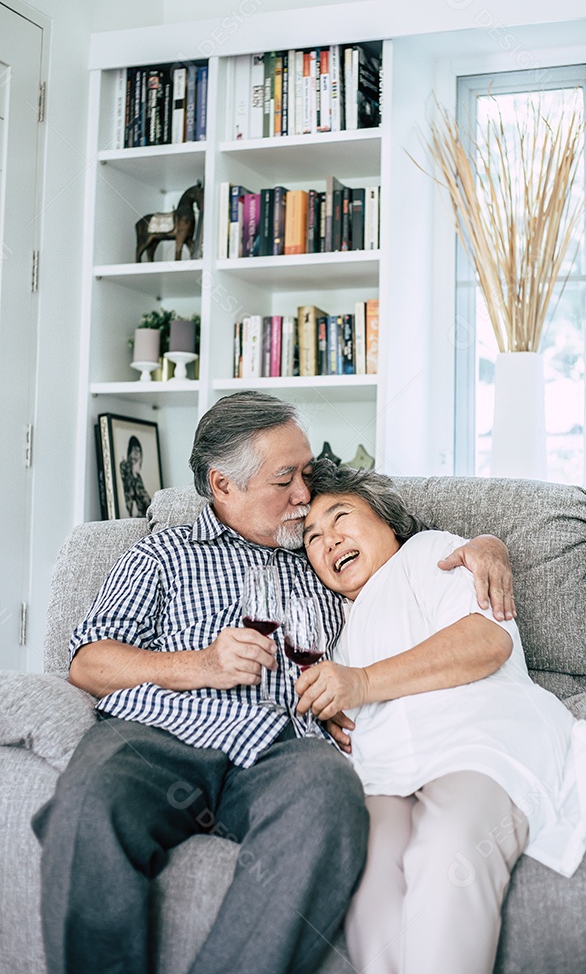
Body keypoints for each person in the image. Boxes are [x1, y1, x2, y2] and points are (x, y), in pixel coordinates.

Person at [32, 391, 516, 974]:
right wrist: (198, 666)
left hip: (284, 750)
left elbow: (411, 543)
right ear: (223, 486)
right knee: (89, 802)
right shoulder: (164, 552)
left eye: (307, 474)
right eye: (285, 479)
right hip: (160, 736)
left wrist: (487, 546)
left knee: (331, 802)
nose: (304, 495)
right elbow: (87, 664)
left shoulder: (320, 550)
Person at [296, 460, 586, 974]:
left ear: (387, 521)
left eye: (341, 517)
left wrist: (361, 682)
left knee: (449, 853)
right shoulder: (336, 619)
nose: (329, 541)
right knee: (366, 879)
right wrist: (330, 708)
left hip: (475, 742)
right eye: (312, 537)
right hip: (385, 772)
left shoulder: (429, 554)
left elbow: (487, 641)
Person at [119, 434, 151, 517]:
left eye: (138, 451)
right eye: (134, 450)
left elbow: (145, 498)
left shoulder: (138, 477)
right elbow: (129, 493)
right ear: (130, 452)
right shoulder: (124, 468)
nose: (137, 454)